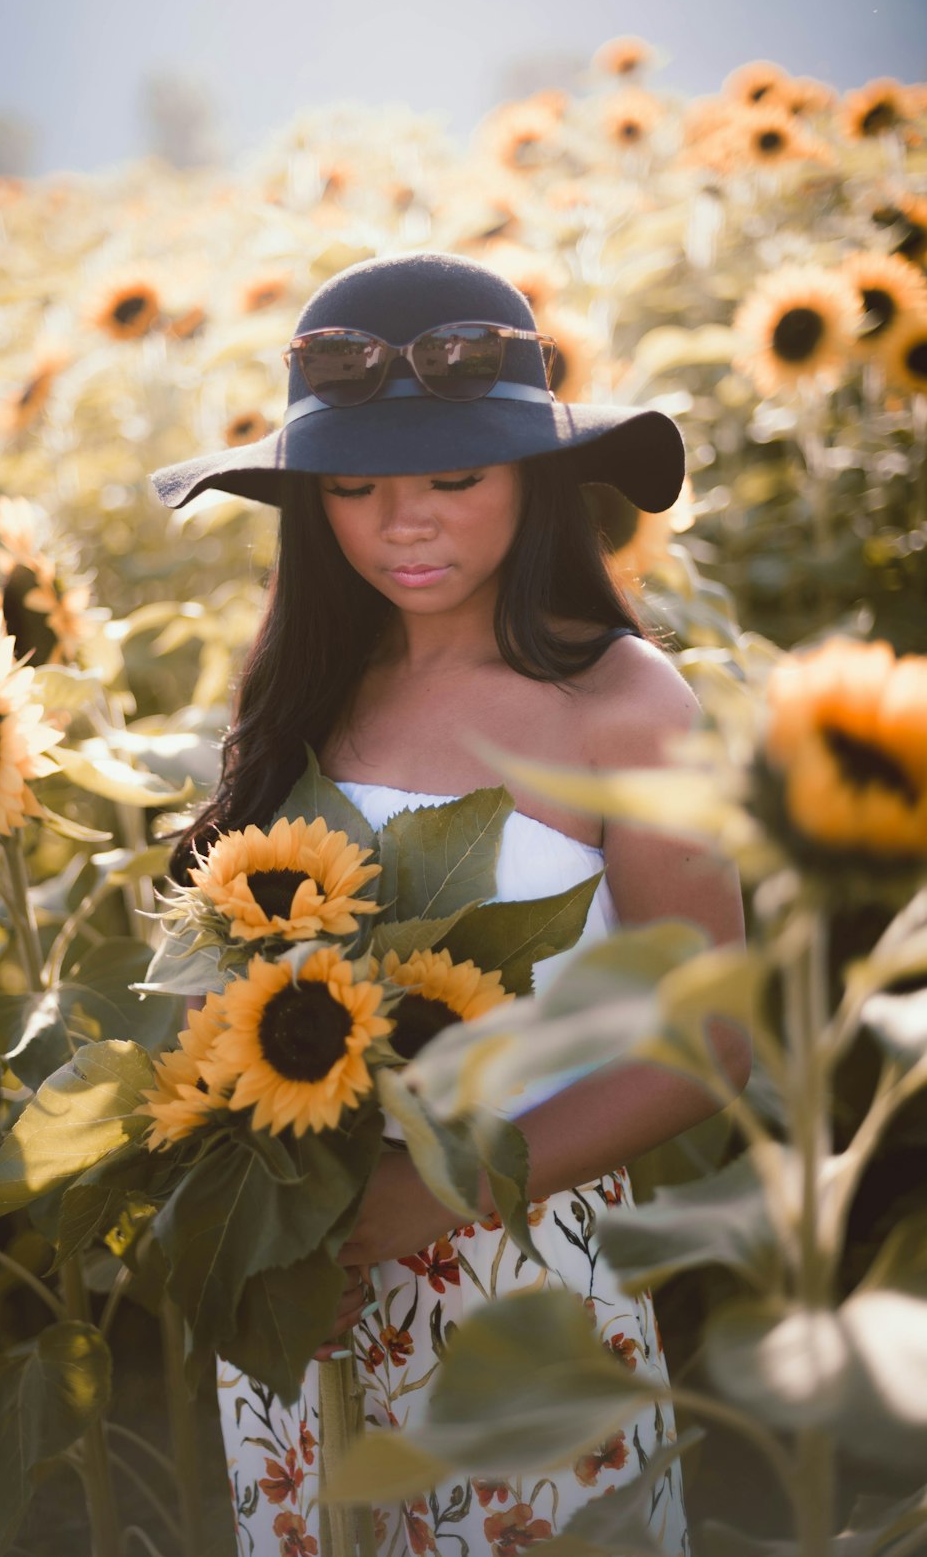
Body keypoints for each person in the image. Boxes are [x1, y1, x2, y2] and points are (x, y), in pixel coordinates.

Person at [150, 251, 749, 1557]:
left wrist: (433, 1201)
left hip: (523, 1298)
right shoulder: (303, 687)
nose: (401, 522)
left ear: (533, 481)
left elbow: (711, 1038)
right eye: (355, 487)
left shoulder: (628, 707)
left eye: (453, 479)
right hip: (302, 1303)